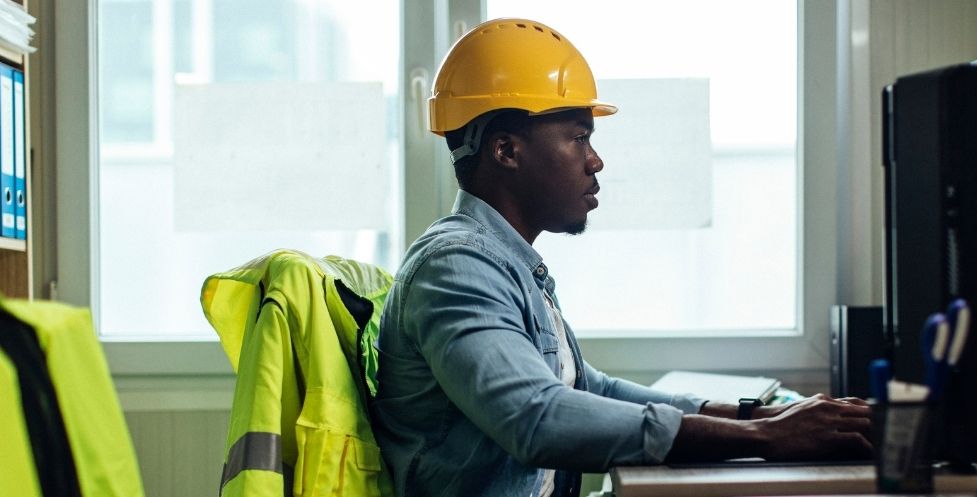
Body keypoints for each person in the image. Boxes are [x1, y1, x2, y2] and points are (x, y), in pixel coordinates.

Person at [372, 17, 872, 497]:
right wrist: (769, 441)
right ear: (506, 150)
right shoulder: (456, 268)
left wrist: (757, 418)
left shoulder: (508, 266)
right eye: (579, 137)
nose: (596, 160)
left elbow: (590, 390)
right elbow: (537, 418)